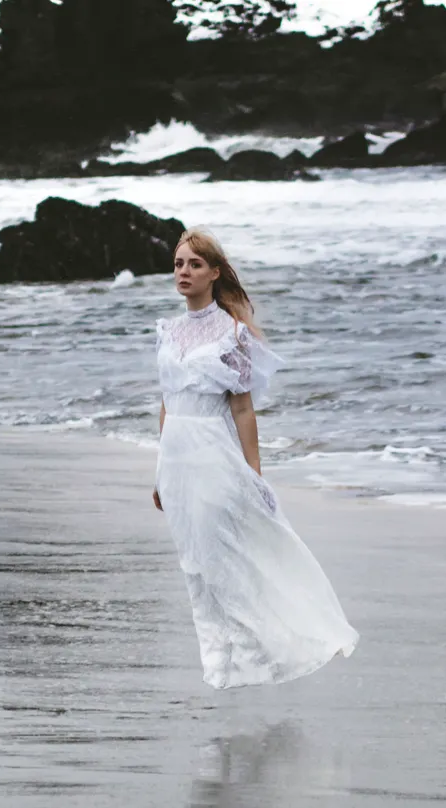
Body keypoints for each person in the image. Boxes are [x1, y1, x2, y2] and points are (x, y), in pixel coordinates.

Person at [153, 228, 358, 689]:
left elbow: (242, 410)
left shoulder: (233, 335)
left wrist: (255, 475)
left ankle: (274, 646)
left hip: (212, 454)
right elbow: (168, 400)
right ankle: (221, 662)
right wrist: (160, 470)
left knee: (228, 554)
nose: (184, 272)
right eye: (179, 264)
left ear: (215, 273)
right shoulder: (168, 331)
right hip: (176, 462)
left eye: (194, 265)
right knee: (195, 563)